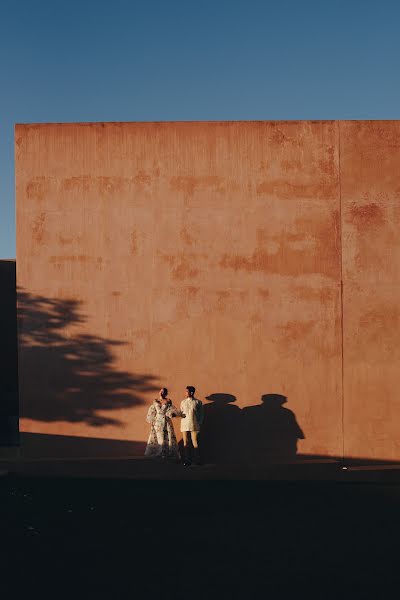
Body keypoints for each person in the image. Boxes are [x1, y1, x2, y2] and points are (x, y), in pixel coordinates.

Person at [145, 388, 183, 460]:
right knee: (158, 437)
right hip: (157, 422)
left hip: (165, 420)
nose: (161, 393)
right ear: (159, 392)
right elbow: (152, 411)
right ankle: (159, 453)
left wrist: (171, 414)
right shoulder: (155, 401)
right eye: (161, 391)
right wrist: (152, 420)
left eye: (163, 392)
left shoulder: (168, 400)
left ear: (166, 393)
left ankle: (164, 453)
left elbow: (171, 409)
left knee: (165, 437)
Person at [180, 386, 204, 466]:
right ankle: (187, 461)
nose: (185, 393)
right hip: (184, 424)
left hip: (195, 425)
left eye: (187, 391)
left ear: (192, 392)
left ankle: (197, 460)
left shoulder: (198, 402)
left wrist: (199, 423)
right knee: (186, 443)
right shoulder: (183, 402)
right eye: (185, 391)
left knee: (195, 443)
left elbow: (201, 414)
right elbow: (181, 412)